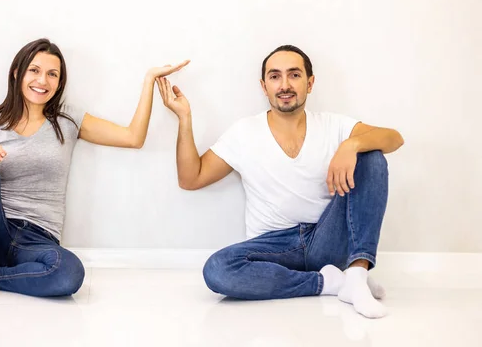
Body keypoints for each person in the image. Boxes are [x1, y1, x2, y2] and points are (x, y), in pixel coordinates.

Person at [0, 38, 189, 306]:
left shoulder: (67, 119)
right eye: (35, 70)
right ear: (17, 72)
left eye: (52, 74)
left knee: (68, 274)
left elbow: (133, 137)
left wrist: (148, 80)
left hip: (38, 239)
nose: (43, 80)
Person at [156, 44, 403, 318]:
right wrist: (184, 117)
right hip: (275, 246)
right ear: (264, 86)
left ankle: (356, 275)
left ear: (310, 83)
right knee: (218, 269)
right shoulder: (244, 133)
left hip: (327, 238)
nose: (285, 85)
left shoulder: (334, 126)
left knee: (372, 157)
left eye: (294, 75)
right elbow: (191, 178)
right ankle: (332, 283)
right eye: (275, 76)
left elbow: (394, 138)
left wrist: (352, 145)